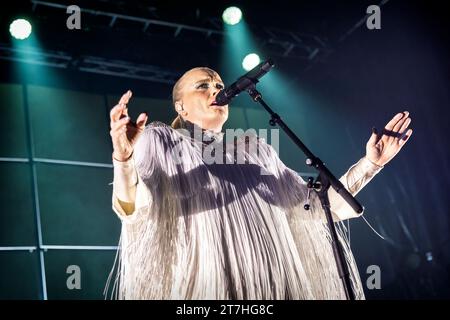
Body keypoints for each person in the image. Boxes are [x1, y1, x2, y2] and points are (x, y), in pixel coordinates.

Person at [106, 67, 412, 299]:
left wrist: (371, 163)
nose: (215, 90)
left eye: (219, 85)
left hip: (273, 287)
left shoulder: (257, 149)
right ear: (181, 108)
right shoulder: (163, 140)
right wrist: (123, 158)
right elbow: (133, 208)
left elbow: (317, 208)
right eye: (202, 86)